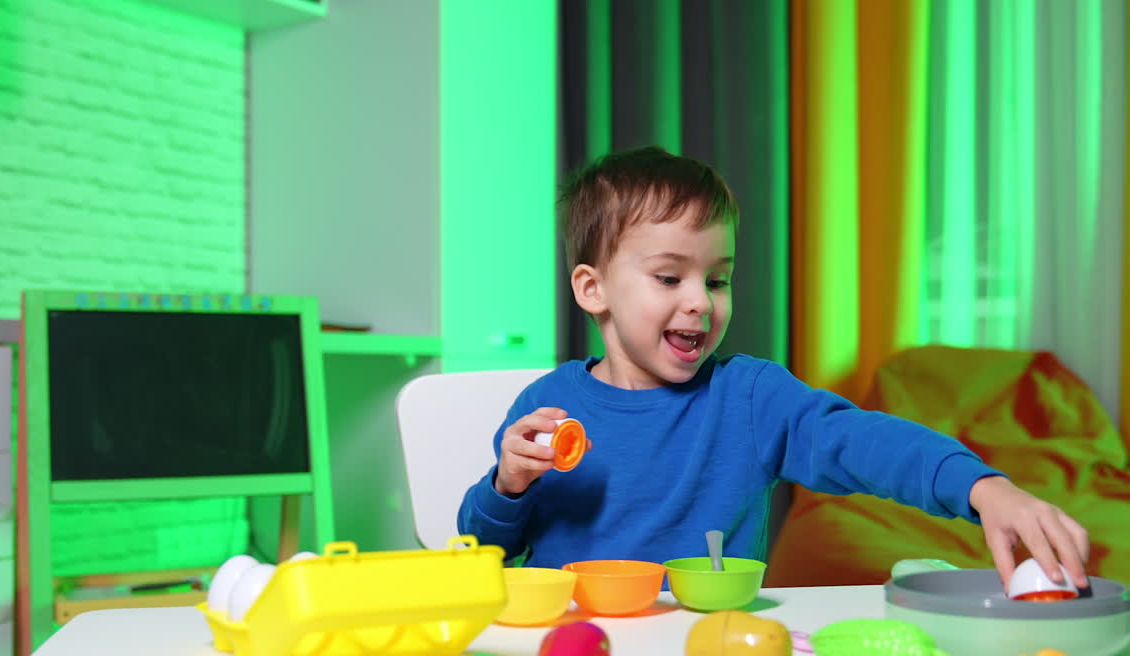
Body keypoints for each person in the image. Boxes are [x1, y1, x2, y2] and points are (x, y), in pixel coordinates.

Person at [456, 145, 1090, 591]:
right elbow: (482, 550)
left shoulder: (750, 398)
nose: (701, 301)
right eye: (670, 276)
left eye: (719, 277)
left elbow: (867, 442)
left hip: (714, 654)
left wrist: (983, 488)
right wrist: (506, 486)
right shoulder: (545, 406)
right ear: (593, 290)